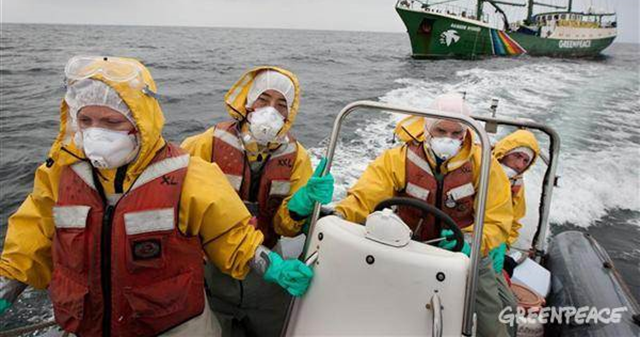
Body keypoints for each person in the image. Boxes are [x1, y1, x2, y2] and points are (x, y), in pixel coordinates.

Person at [0, 56, 313, 337]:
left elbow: (228, 231)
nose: (97, 132)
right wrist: (9, 282)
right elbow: (34, 230)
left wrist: (271, 262)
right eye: (86, 121)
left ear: (140, 123)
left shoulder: (189, 173)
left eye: (111, 122)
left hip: (175, 322)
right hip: (92, 322)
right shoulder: (59, 175)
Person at [332, 93, 514, 337]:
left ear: (466, 134)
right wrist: (339, 215)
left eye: (456, 133)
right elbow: (364, 197)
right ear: (427, 128)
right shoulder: (397, 159)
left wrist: (473, 243)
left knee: (494, 322)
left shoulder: (485, 165)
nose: (448, 139)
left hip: (467, 254)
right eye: (441, 131)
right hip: (406, 248)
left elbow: (498, 219)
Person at [181, 66, 333, 337]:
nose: (271, 109)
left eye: (281, 104)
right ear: (248, 102)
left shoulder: (298, 158)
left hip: (270, 268)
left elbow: (287, 228)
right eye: (263, 99)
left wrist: (301, 206)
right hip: (212, 267)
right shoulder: (206, 142)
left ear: (289, 113)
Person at [493, 129, 540, 274]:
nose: (519, 165)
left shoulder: (516, 186)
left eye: (526, 161)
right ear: (505, 152)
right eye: (517, 156)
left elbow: (514, 222)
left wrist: (503, 246)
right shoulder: (476, 166)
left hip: (491, 246)